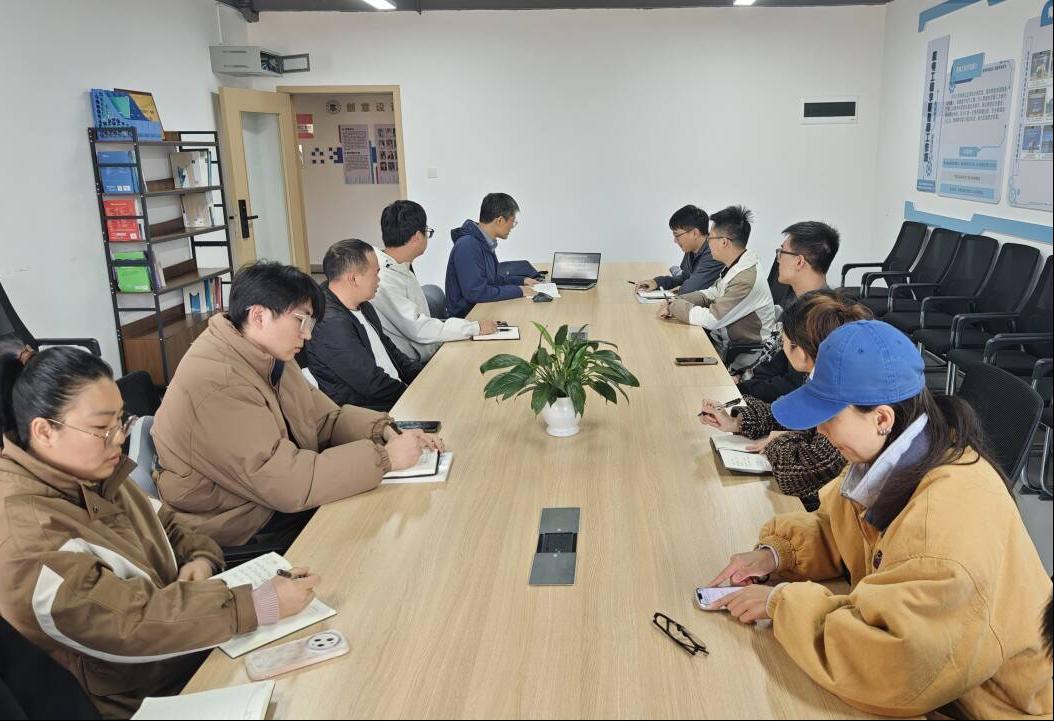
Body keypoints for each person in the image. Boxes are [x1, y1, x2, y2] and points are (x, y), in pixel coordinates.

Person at [707, 320, 1053, 719]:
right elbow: (842, 528)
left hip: (987, 705)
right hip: (946, 679)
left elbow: (895, 664)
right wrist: (776, 554)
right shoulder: (900, 454)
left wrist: (780, 603)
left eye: (829, 416)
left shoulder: (944, 523)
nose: (819, 429)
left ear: (882, 419)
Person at [0, 347, 319, 717]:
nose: (118, 438)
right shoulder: (27, 534)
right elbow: (127, 622)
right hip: (139, 698)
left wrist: (200, 559)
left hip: (186, 646)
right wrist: (257, 605)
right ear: (44, 431)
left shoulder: (93, 474)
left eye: (121, 421)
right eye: (101, 428)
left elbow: (169, 523)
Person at [153, 261, 439, 548]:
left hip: (270, 501)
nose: (308, 335)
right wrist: (385, 459)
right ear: (259, 316)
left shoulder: (268, 355)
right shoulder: (219, 382)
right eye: (301, 321)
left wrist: (384, 432)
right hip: (238, 522)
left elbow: (324, 419)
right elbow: (285, 483)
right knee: (376, 530)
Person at [699, 291, 870, 510]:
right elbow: (792, 418)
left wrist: (778, 441)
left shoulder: (845, 401)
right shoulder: (825, 375)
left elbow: (800, 472)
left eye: (784, 337)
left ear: (800, 351)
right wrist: (737, 421)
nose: (781, 340)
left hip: (820, 508)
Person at [372, 200, 498, 363]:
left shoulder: (399, 265)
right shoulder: (383, 279)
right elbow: (419, 328)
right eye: (427, 231)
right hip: (414, 364)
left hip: (425, 346)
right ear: (417, 237)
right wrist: (474, 328)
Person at [308, 239, 424, 412]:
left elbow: (392, 352)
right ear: (354, 279)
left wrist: (425, 377)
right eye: (376, 273)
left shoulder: (363, 304)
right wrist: (412, 394)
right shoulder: (329, 324)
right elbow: (371, 383)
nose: (379, 279)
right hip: (370, 412)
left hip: (393, 396)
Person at [736, 221, 840, 402]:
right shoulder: (799, 303)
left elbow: (791, 385)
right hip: (757, 387)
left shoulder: (820, 319)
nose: (778, 259)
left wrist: (742, 390)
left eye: (781, 252)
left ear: (799, 261)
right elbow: (777, 363)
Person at [660, 205, 775, 365]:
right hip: (722, 340)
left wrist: (675, 306)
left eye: (710, 238)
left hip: (742, 358)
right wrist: (677, 301)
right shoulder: (736, 265)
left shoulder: (745, 279)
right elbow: (712, 293)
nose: (707, 242)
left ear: (724, 242)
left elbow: (713, 318)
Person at [445, 192, 537, 318]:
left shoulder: (483, 242)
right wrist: (519, 291)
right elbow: (476, 292)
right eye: (512, 221)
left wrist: (521, 281)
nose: (512, 226)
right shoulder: (467, 245)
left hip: (480, 310)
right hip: (466, 317)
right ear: (499, 220)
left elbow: (492, 280)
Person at [634, 205, 723, 295]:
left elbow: (691, 288)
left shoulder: (714, 252)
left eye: (677, 235)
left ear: (695, 233)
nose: (675, 241)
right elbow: (684, 278)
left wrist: (679, 290)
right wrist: (656, 282)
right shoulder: (691, 249)